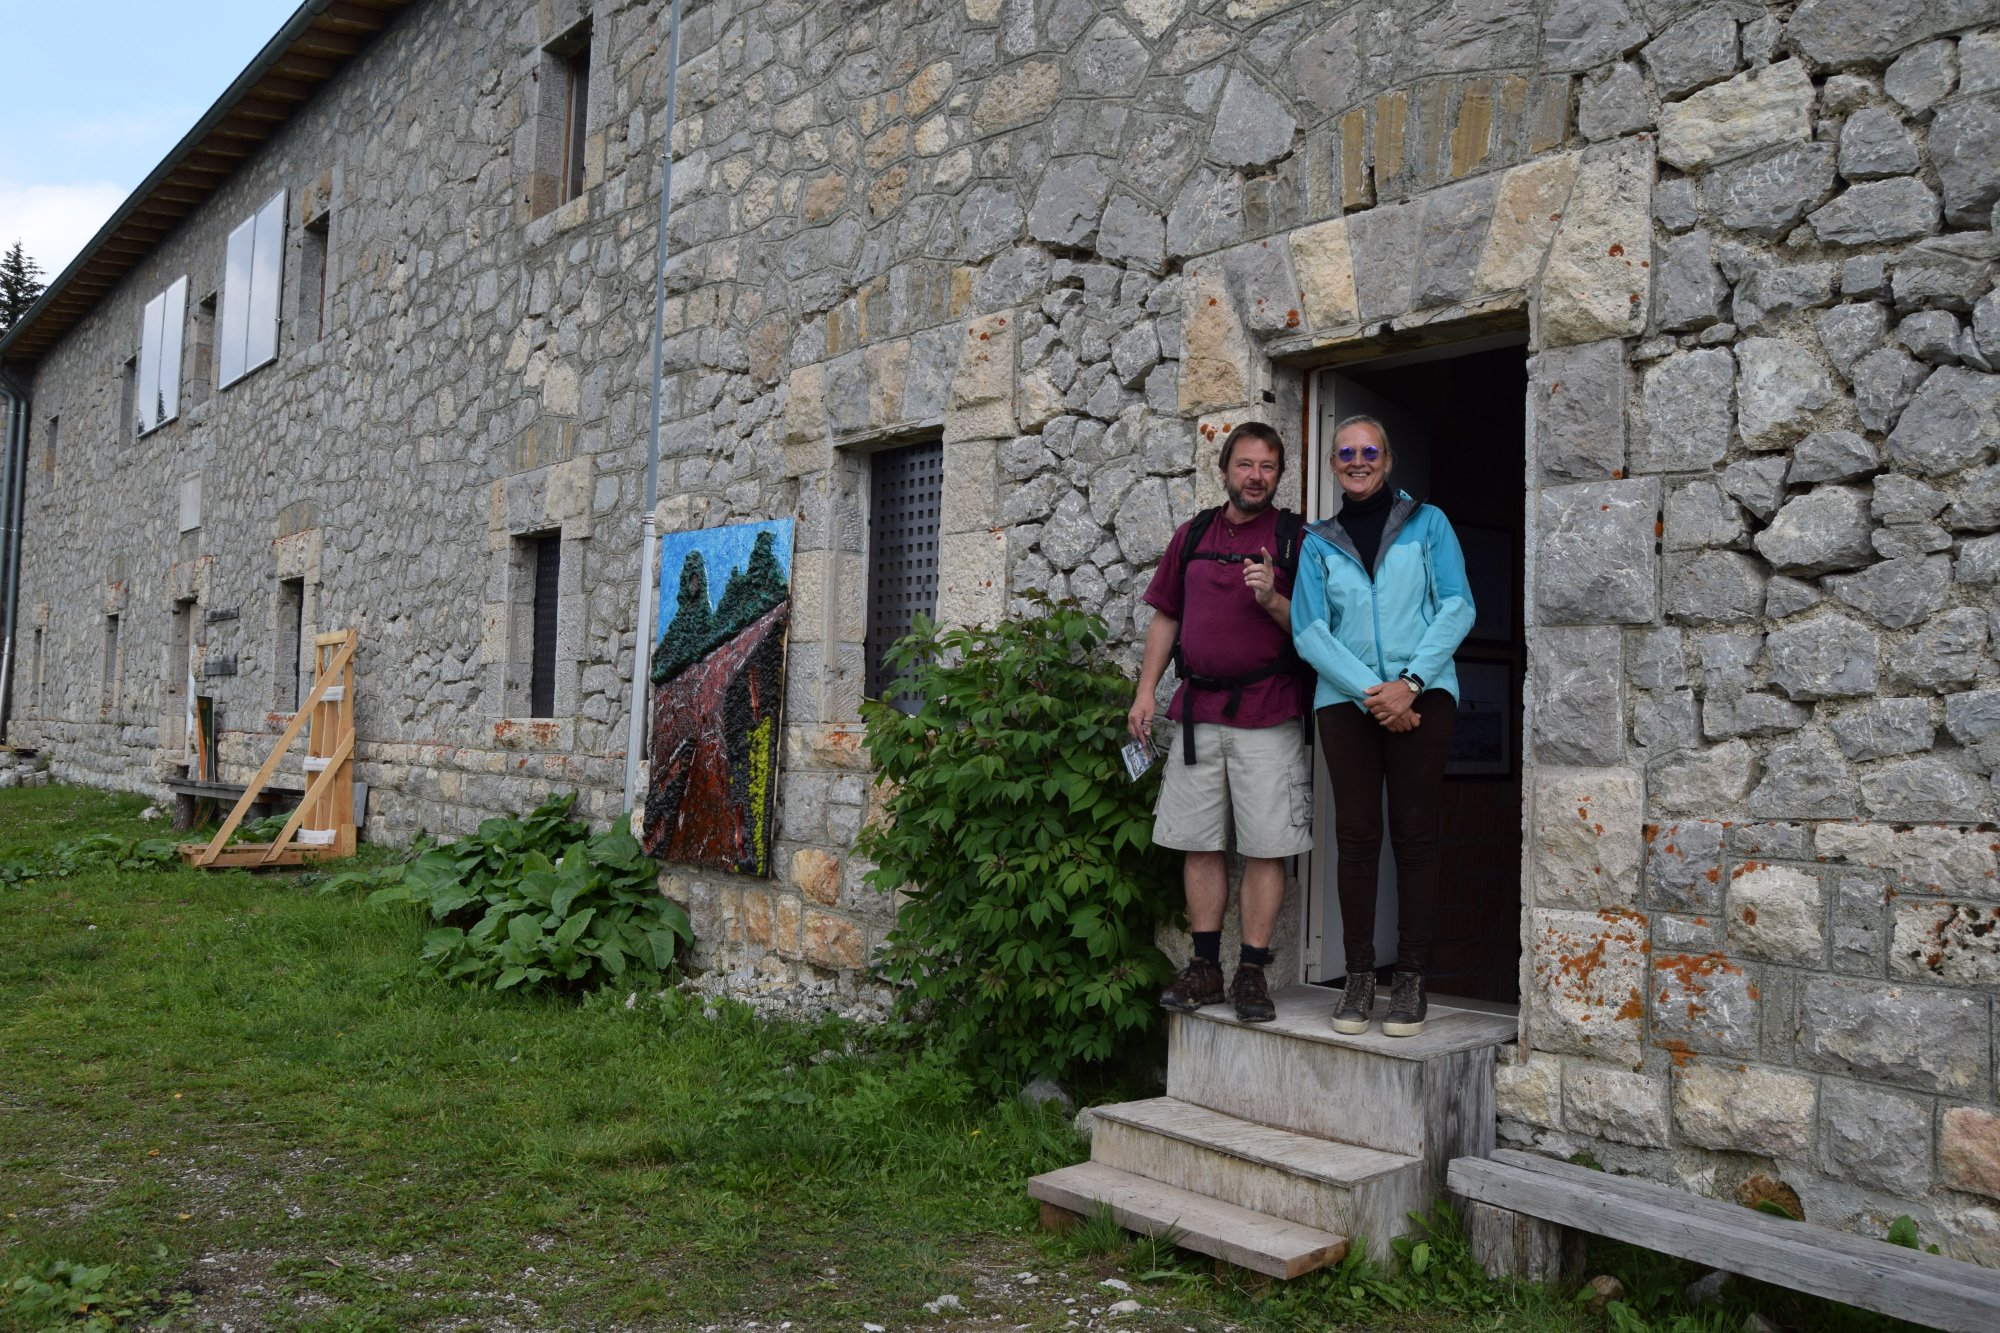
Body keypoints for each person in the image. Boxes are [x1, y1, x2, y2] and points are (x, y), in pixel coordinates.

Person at [1290, 414, 1473, 1038]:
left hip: (1424, 693)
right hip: (1349, 700)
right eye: (1346, 453)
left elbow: (1457, 606)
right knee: (1357, 835)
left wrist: (1411, 684)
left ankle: (1412, 980)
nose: (1358, 460)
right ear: (1335, 465)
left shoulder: (1430, 523)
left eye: (1369, 451)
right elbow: (1310, 630)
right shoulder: (1318, 540)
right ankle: (1361, 977)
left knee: (1416, 834)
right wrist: (1376, 694)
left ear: (1388, 460)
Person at [1129, 422, 1314, 1024]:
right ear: (1224, 469)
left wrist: (1272, 600)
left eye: (1267, 467)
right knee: (1198, 842)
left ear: (1278, 476)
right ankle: (1205, 967)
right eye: (1245, 465)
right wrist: (1146, 692)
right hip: (1197, 715)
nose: (1255, 476)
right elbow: (1166, 619)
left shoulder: (1294, 540)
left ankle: (1252, 972)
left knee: (1267, 846)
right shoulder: (1193, 535)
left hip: (1270, 715)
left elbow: (1318, 633)